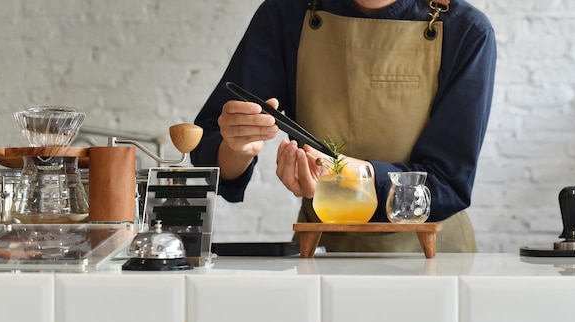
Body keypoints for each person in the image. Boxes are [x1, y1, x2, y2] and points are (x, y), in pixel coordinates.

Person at [191, 0, 497, 252]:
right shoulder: (286, 15)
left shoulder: (465, 30)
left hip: (431, 256)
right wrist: (239, 147)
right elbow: (212, 151)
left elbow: (448, 183)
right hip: (321, 251)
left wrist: (353, 177)